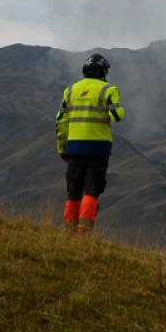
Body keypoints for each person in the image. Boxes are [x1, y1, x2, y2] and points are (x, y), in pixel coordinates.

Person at [55, 53, 125, 234]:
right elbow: (116, 116)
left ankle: (69, 230)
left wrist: (62, 148)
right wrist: (120, 110)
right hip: (98, 148)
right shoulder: (109, 89)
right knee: (92, 189)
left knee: (73, 190)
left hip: (74, 148)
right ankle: (84, 231)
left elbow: (61, 122)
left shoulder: (70, 90)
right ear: (103, 71)